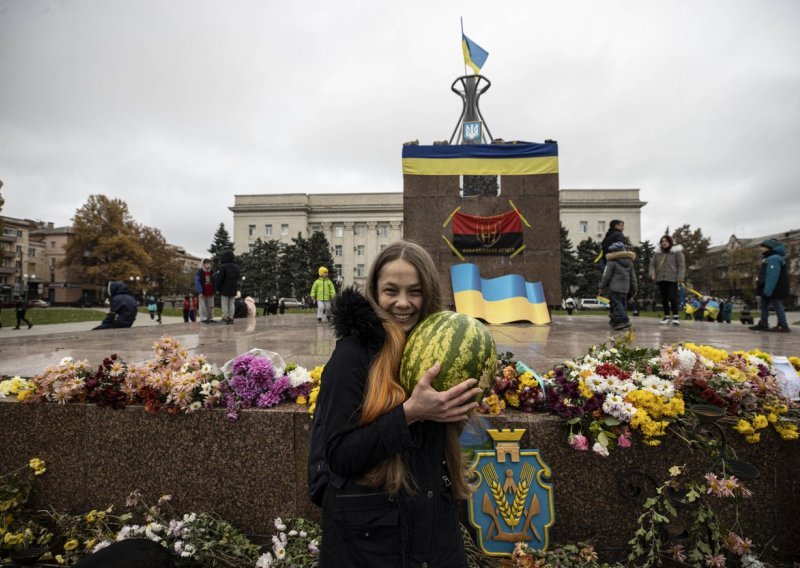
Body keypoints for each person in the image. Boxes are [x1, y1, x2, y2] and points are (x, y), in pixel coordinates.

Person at [308, 240, 482, 567]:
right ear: (374, 292)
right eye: (391, 291)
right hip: (370, 543)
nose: (403, 303)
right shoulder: (352, 355)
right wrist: (410, 413)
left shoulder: (435, 346)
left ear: (428, 292)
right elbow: (339, 456)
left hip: (433, 531)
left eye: (414, 291)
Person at [749, 238, 791, 333]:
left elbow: (772, 275)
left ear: (769, 247)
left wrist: (768, 290)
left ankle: (783, 325)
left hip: (775, 287)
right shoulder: (768, 258)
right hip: (767, 286)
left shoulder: (774, 258)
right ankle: (764, 323)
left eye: (763, 246)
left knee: (777, 305)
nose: (761, 248)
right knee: (764, 305)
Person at [599, 241, 637, 330]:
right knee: (622, 305)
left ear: (614, 252)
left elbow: (606, 276)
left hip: (615, 288)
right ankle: (616, 323)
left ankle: (624, 320)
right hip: (625, 289)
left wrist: (602, 286)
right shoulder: (630, 262)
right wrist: (634, 289)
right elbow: (633, 277)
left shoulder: (612, 262)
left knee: (617, 305)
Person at [649, 235, 685, 325]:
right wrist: (652, 273)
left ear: (670, 242)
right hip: (661, 278)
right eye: (662, 241)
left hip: (672, 278)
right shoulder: (657, 253)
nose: (664, 242)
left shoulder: (676, 252)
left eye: (666, 241)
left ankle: (676, 316)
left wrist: (680, 278)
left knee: (672, 297)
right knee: (664, 298)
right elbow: (652, 264)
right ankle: (667, 317)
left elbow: (681, 266)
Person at [214, 250, 241, 325]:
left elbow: (220, 278)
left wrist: (217, 288)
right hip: (233, 288)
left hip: (224, 289)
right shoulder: (236, 267)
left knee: (224, 304)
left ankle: (225, 318)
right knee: (232, 304)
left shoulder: (223, 267)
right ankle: (231, 318)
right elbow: (238, 277)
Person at [194, 258, 217, 324]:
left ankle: (210, 317)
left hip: (211, 292)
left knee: (211, 306)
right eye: (207, 264)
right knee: (202, 306)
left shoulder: (212, 272)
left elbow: (215, 281)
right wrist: (199, 291)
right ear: (203, 264)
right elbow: (197, 282)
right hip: (202, 292)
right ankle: (203, 318)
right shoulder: (200, 272)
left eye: (210, 264)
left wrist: (215, 289)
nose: (208, 265)